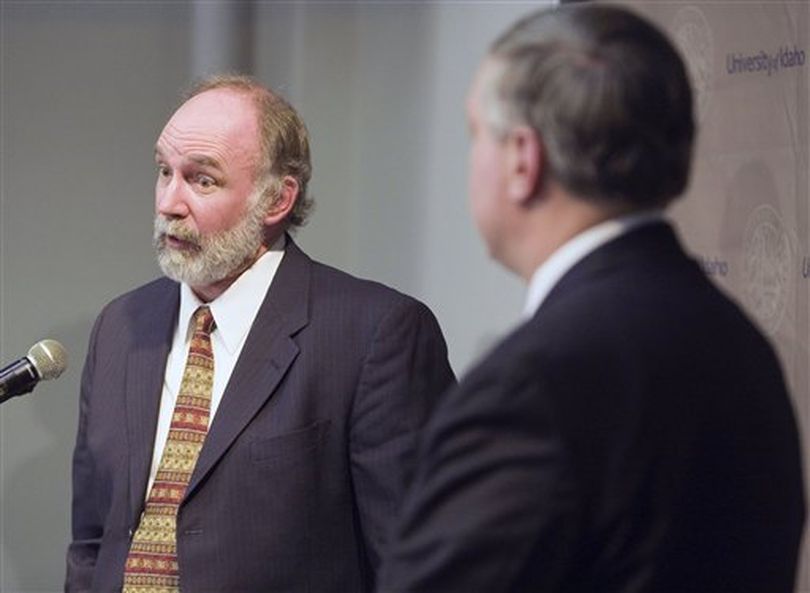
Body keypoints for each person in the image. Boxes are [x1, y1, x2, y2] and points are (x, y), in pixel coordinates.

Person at [378, 5, 805, 593]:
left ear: (523, 161)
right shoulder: (743, 346)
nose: (470, 160)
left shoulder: (532, 384)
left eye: (476, 133)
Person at [65, 75, 455, 593]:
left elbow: (420, 562)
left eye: (202, 180)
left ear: (276, 200)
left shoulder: (376, 334)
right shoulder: (119, 327)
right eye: (164, 172)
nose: (169, 203)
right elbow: (93, 541)